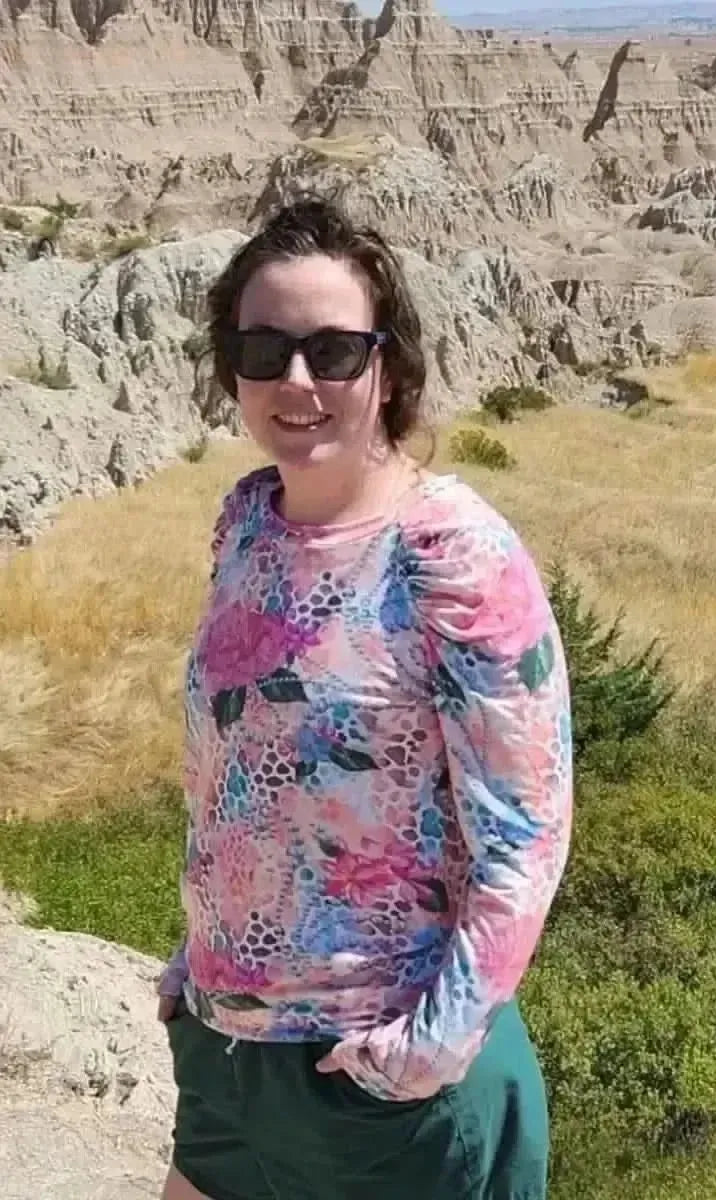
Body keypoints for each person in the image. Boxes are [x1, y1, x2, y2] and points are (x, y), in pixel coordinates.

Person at [156, 192, 573, 1200]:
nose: (297, 382)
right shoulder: (247, 525)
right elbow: (243, 771)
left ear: (387, 367)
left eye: (333, 351)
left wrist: (425, 1048)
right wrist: (196, 955)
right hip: (230, 1053)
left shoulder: (456, 557)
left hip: (386, 1081)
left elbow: (527, 828)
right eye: (264, 350)